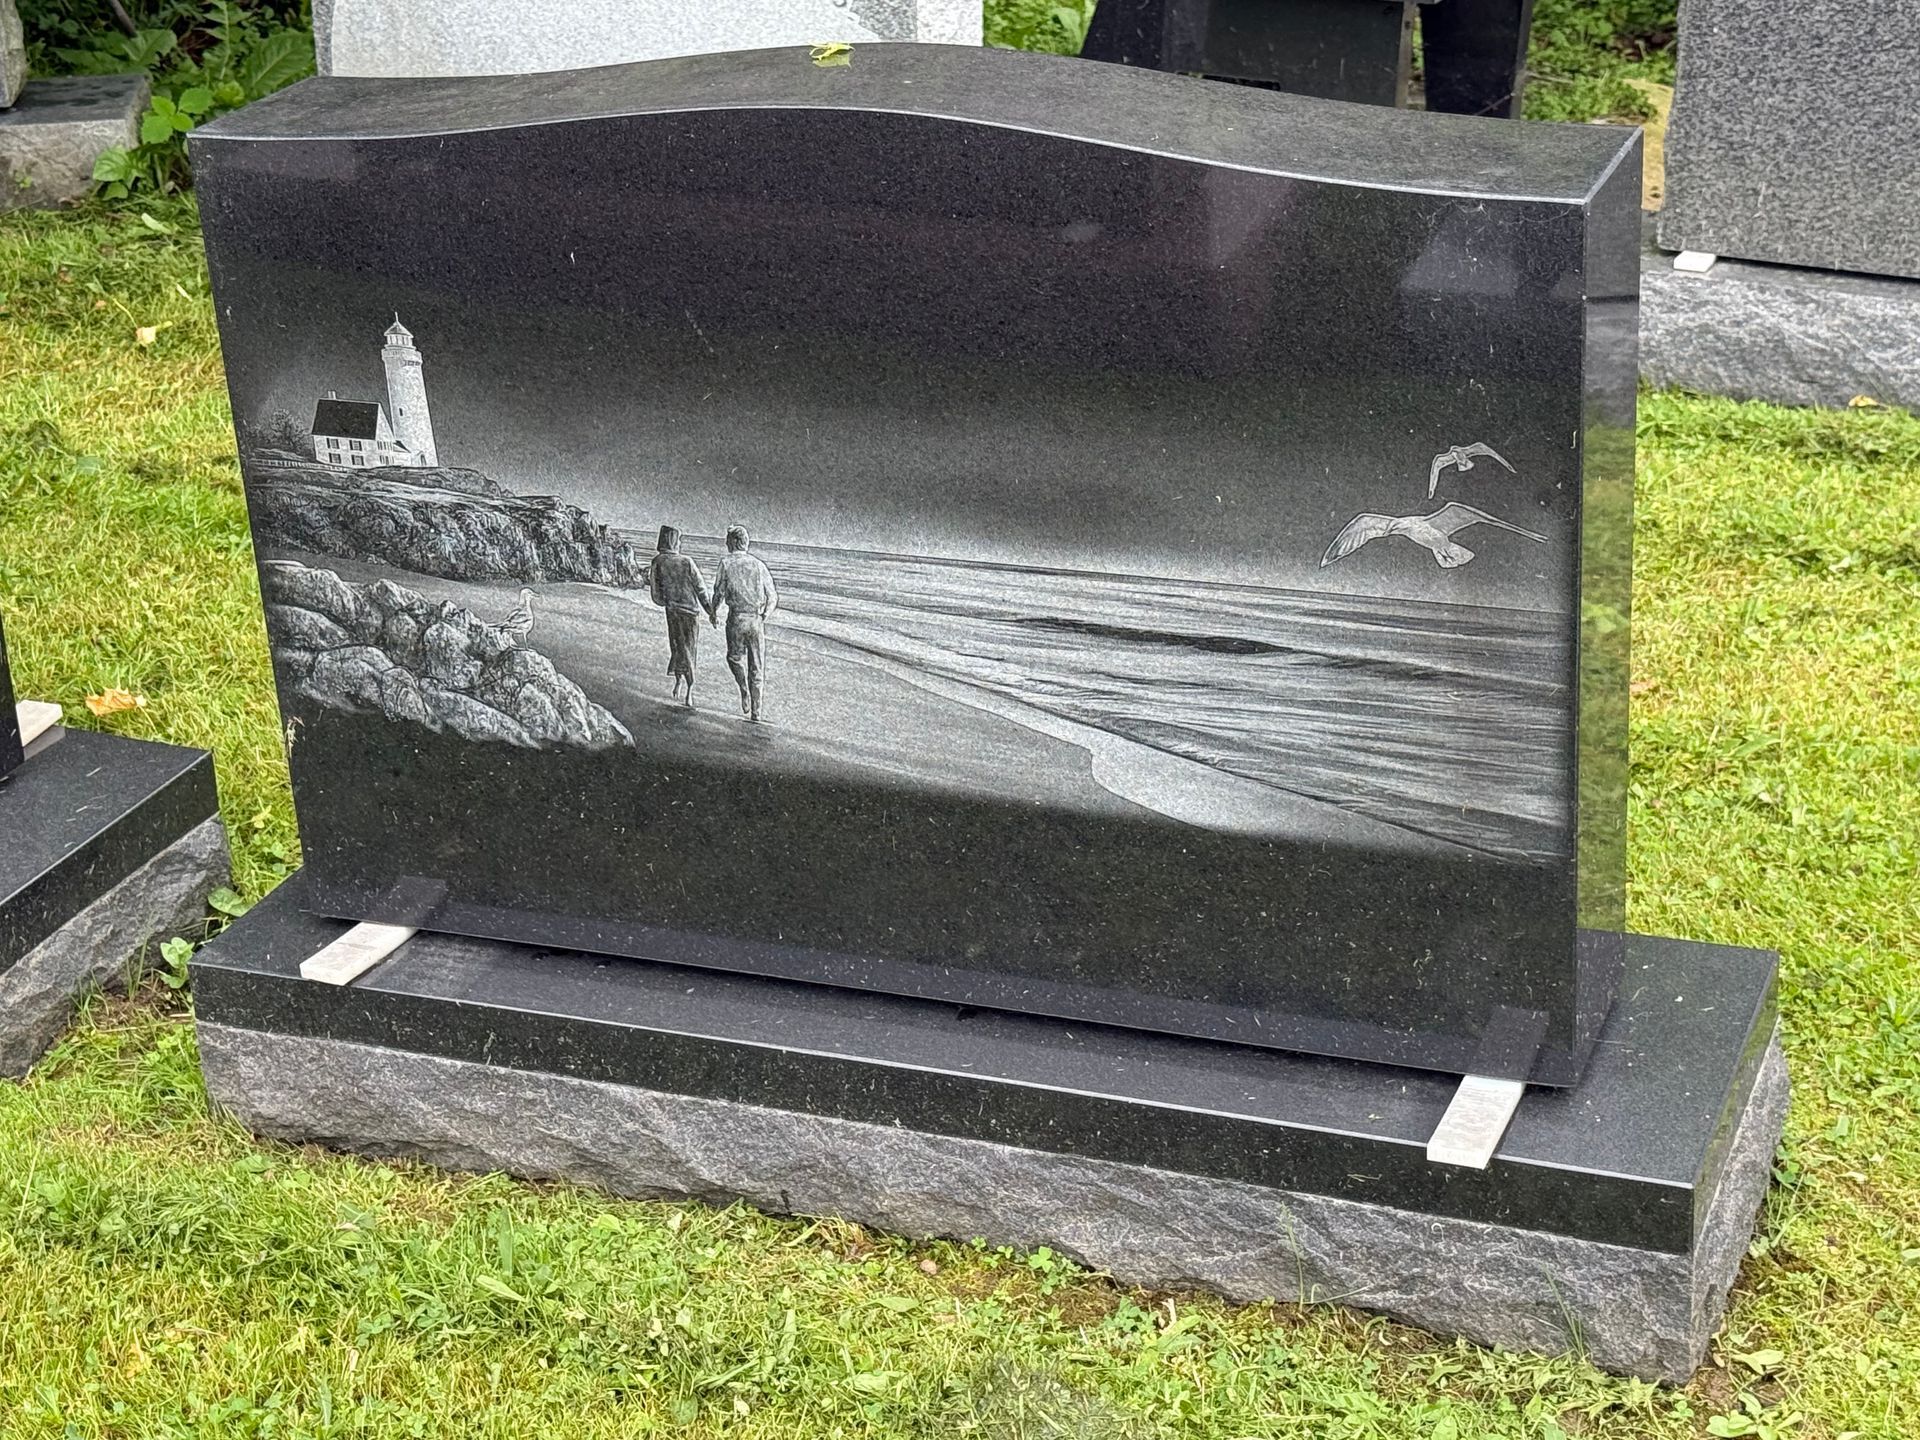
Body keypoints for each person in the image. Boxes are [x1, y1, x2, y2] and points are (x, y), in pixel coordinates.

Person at [706, 524, 778, 722]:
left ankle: (744, 690)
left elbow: (719, 591)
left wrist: (713, 612)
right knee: (757, 667)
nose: (725, 543)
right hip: (755, 619)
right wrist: (765, 615)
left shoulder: (726, 563)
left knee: (734, 658)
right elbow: (772, 596)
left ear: (734, 542)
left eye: (728, 539)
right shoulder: (758, 564)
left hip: (736, 617)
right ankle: (756, 712)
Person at [648, 524, 709, 707]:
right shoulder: (686, 561)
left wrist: (667, 602)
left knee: (677, 648)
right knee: (689, 650)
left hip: (672, 612)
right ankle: (689, 690)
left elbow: (655, 594)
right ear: (673, 541)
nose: (680, 543)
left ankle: (679, 682)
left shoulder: (657, 561)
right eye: (679, 539)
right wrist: (711, 611)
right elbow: (700, 588)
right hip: (690, 613)